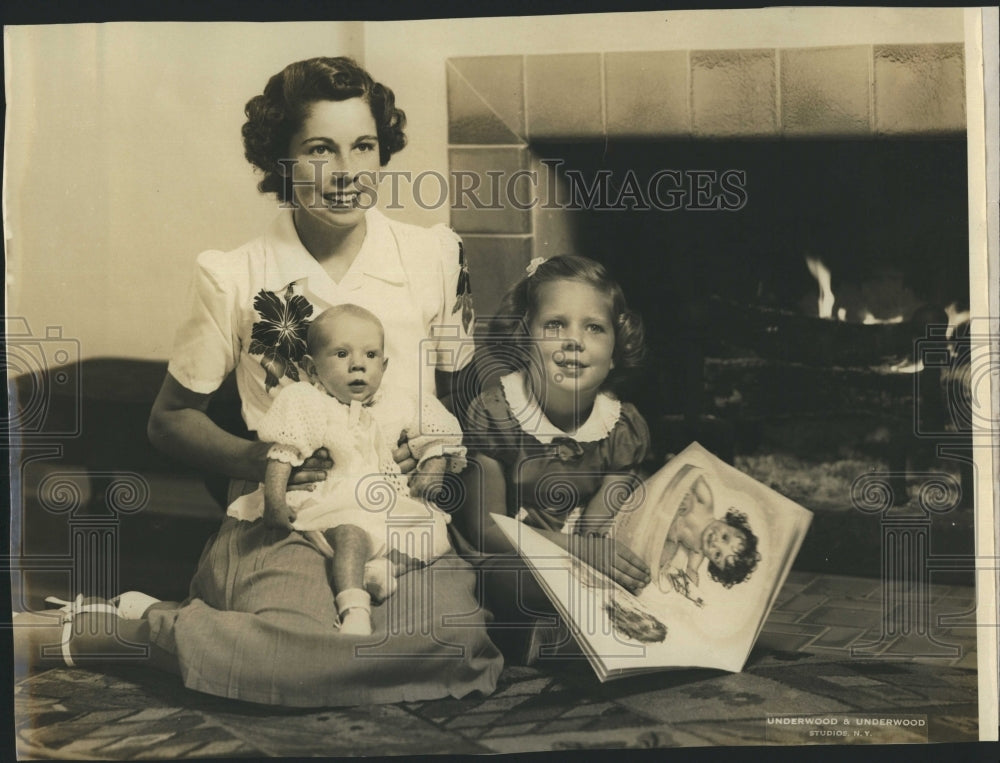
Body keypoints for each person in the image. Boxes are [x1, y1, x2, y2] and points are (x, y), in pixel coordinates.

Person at [13, 56, 501, 708]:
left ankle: (205, 634)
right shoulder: (236, 274)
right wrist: (260, 459)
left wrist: (439, 452)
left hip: (403, 521)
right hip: (284, 523)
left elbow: (460, 394)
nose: (347, 171)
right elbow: (168, 419)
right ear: (281, 161)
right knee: (286, 651)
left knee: (461, 651)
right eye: (320, 149)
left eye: (364, 146)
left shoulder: (435, 257)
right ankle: (119, 631)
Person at [454, 255, 653, 661]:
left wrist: (598, 551)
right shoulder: (497, 414)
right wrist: (579, 553)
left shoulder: (621, 425)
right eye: (555, 325)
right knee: (512, 580)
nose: (574, 340)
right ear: (524, 338)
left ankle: (578, 630)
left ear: (615, 351)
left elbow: (602, 519)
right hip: (514, 553)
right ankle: (544, 631)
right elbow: (488, 530)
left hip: (586, 552)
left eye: (594, 328)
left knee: (647, 568)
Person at [228, 304, 464, 635]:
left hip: (391, 501)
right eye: (341, 354)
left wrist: (433, 467)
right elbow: (283, 452)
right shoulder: (308, 401)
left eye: (370, 355)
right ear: (312, 366)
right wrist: (275, 500)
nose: (358, 365)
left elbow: (437, 436)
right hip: (336, 499)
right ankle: (354, 608)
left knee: (433, 534)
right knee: (352, 534)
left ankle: (385, 569)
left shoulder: (401, 401)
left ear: (384, 365)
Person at [656, 468, 760, 593]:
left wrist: (691, 588)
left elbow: (692, 570)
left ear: (712, 563)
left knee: (665, 558)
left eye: (717, 554)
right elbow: (692, 474)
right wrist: (686, 495)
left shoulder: (698, 551)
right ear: (729, 522)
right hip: (664, 496)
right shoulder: (706, 503)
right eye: (725, 537)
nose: (715, 543)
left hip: (661, 527)